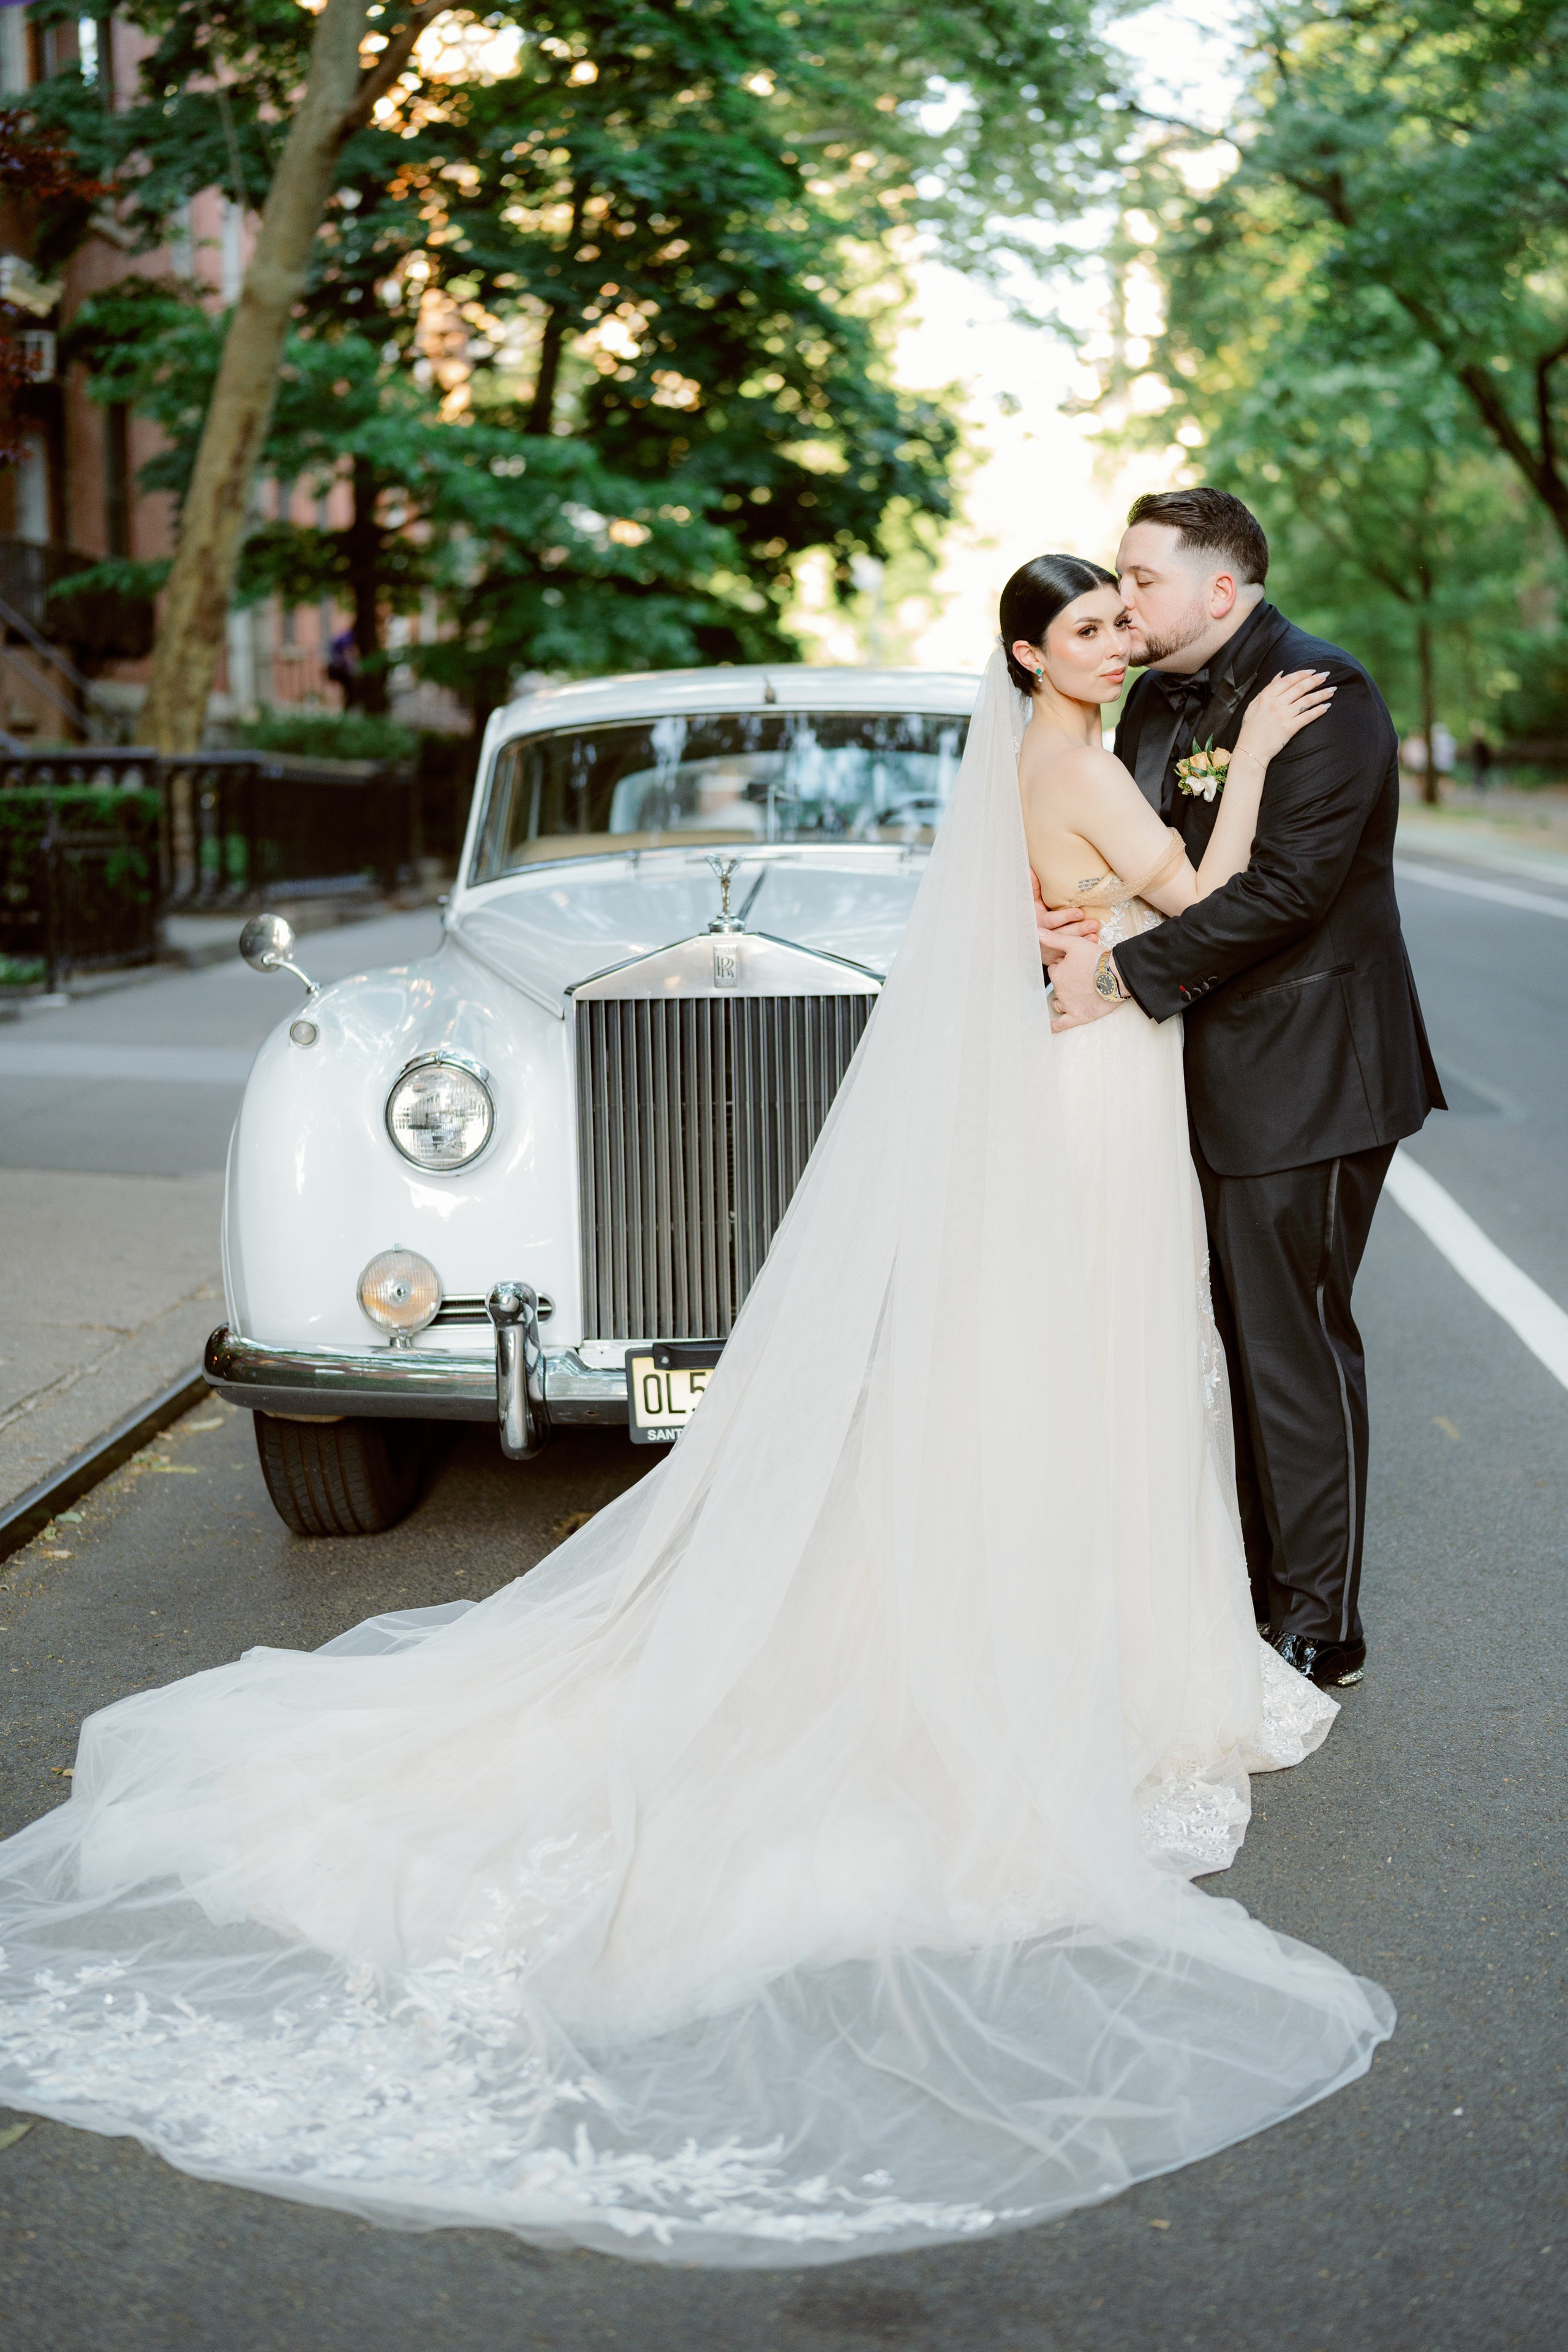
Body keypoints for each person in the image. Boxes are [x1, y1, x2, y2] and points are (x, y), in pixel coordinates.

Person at [0, 588, 1394, 2266]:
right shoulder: (1075, 760)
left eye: (1122, 610)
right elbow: (1200, 896)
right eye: (1089, 617)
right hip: (1093, 1070)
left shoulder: (1054, 755)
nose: (1115, 632)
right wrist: (1234, 797)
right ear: (1032, 656)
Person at [1045, 488, 1445, 1689]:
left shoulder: (1326, 694)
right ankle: (1243, 1587)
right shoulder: (1155, 696)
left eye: (1142, 579)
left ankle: (1319, 1623)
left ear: (1221, 589)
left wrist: (1115, 974)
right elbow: (1148, 852)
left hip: (1307, 1071)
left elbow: (1285, 895)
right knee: (1217, 1335)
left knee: (1291, 1343)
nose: (1122, 599)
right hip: (1186, 1069)